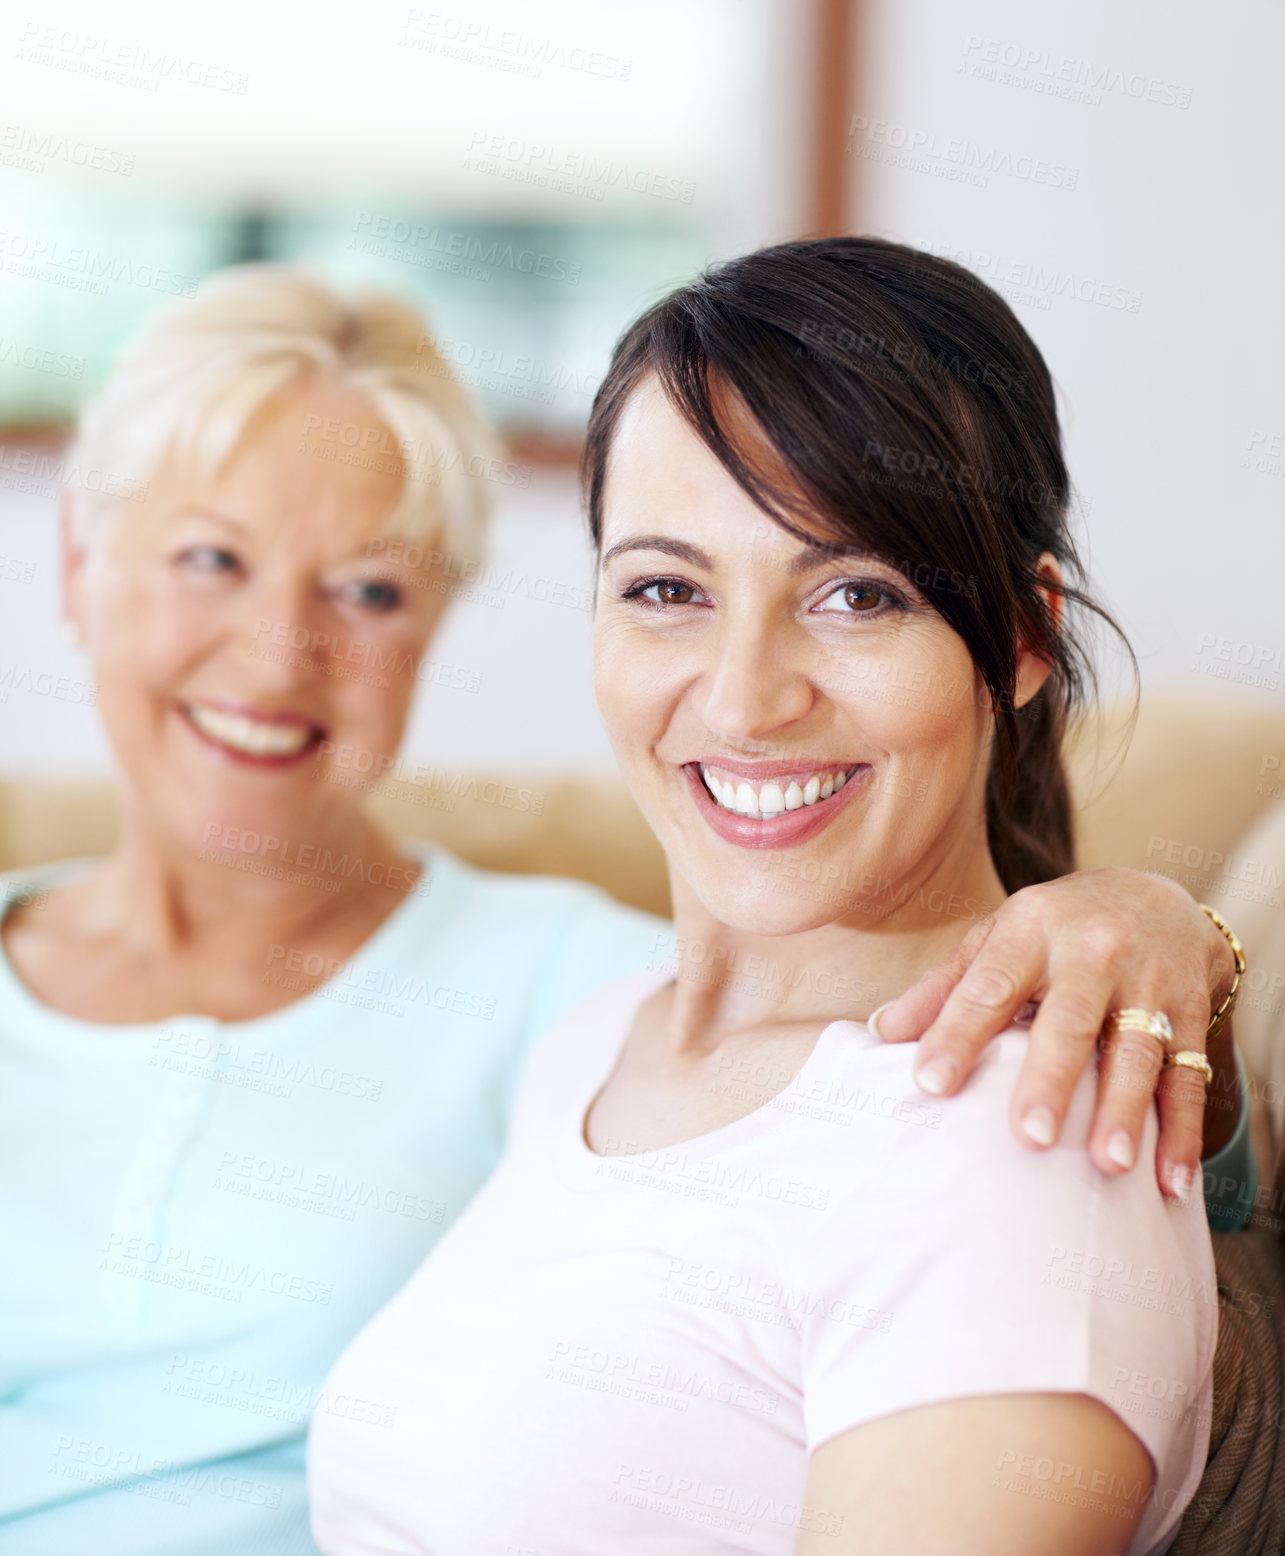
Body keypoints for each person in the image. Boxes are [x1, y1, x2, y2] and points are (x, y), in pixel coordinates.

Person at [0, 263, 1246, 1556]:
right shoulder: (602, 1043)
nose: (746, 697)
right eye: (666, 588)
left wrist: (1175, 933)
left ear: (1026, 637)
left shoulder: (1012, 1129)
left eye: (856, 593)